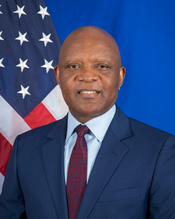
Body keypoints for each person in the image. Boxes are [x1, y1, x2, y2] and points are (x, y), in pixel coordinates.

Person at [0, 26, 175, 219]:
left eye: (102, 66)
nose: (87, 76)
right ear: (58, 75)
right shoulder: (25, 148)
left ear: (120, 76)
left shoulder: (160, 150)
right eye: (73, 66)